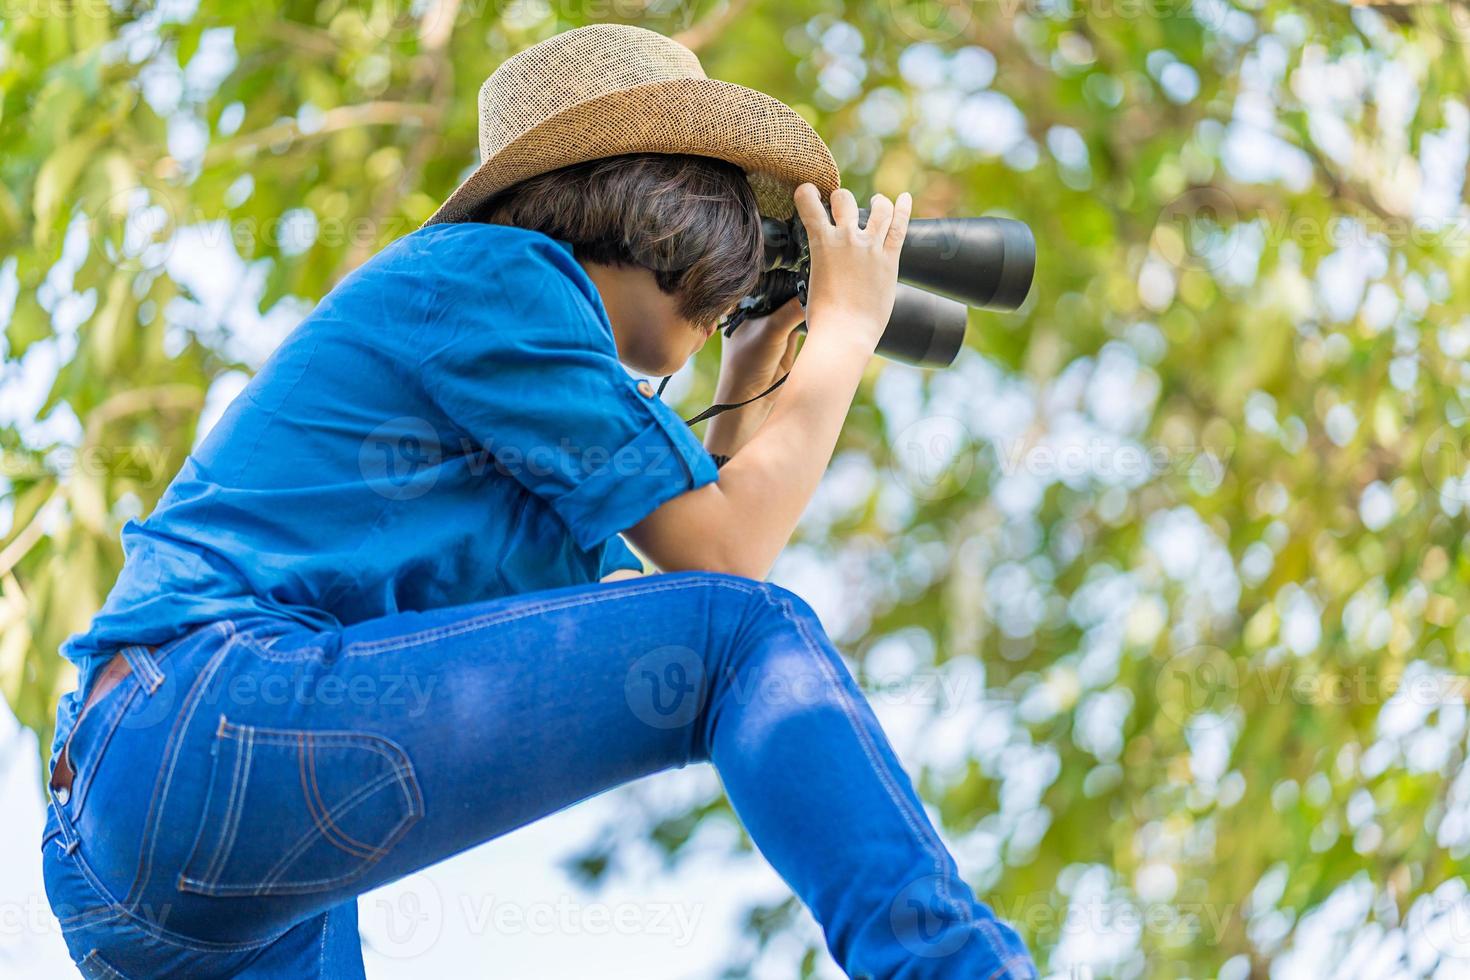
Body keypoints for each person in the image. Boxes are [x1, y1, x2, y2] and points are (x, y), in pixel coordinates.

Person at [40, 23, 1037, 979]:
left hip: (153, 848)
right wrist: (851, 328)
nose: (736, 279)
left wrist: (749, 367)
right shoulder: (507, 276)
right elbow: (732, 599)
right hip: (209, 718)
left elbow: (697, 576)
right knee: (750, 632)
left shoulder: (522, 386)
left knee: (727, 632)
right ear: (670, 209)